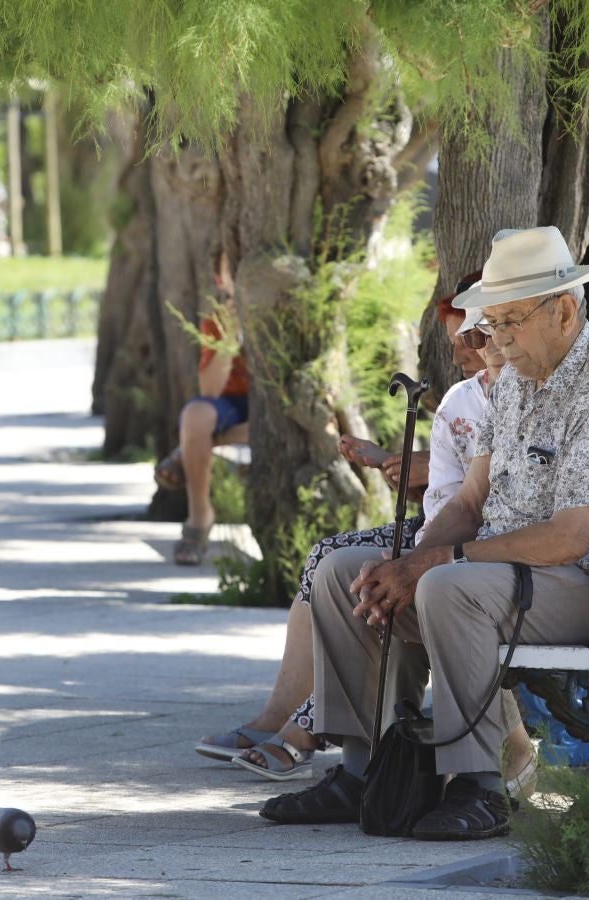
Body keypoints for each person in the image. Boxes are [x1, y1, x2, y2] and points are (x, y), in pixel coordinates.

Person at [264, 226, 589, 839]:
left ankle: (482, 787)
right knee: (345, 572)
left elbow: (568, 539)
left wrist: (435, 564)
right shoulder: (512, 382)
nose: (495, 341)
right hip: (503, 572)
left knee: (446, 588)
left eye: (509, 322)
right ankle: (363, 770)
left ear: (562, 309)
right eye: (491, 325)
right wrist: (407, 559)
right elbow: (472, 499)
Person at [200, 282, 537, 802]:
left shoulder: (531, 390)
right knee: (338, 568)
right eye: (467, 339)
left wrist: (418, 548)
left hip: (488, 549)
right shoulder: (467, 397)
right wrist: (407, 546)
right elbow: (460, 496)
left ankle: (310, 729)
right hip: (439, 530)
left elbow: (491, 501)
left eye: (476, 335)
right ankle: (353, 764)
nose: (466, 352)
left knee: (389, 578)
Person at [155, 252, 250, 565]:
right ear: (220, 280)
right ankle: (199, 517)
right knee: (196, 416)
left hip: (271, 409)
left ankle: (187, 451)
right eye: (229, 268)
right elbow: (209, 390)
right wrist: (231, 333)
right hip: (232, 405)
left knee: (205, 434)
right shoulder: (216, 321)